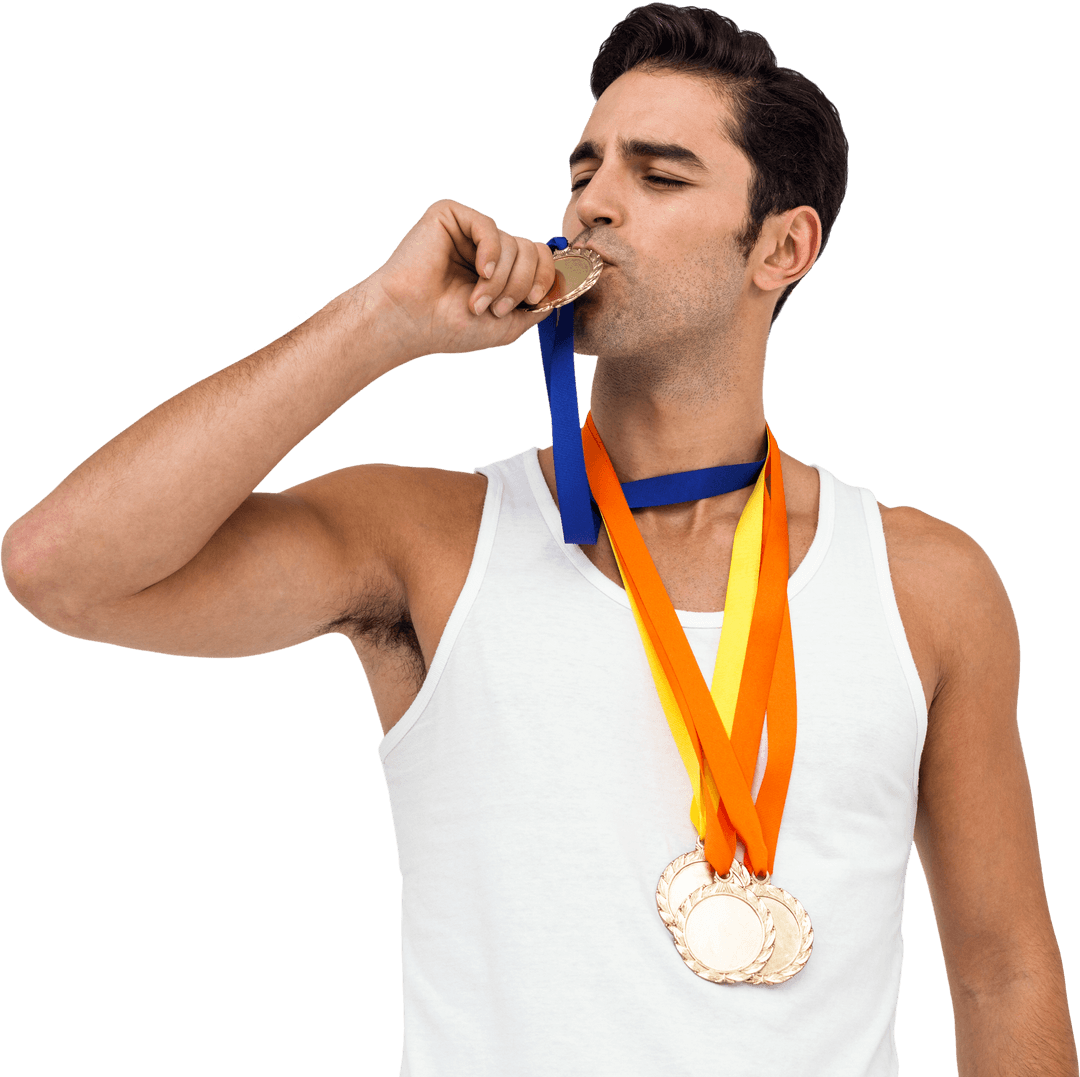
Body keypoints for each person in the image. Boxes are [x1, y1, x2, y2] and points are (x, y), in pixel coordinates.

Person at [2, 3, 1075, 1074]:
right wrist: (378, 321)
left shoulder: (926, 582)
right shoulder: (430, 544)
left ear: (783, 247)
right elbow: (63, 573)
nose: (594, 205)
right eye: (584, 172)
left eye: (658, 178)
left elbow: (1003, 971)